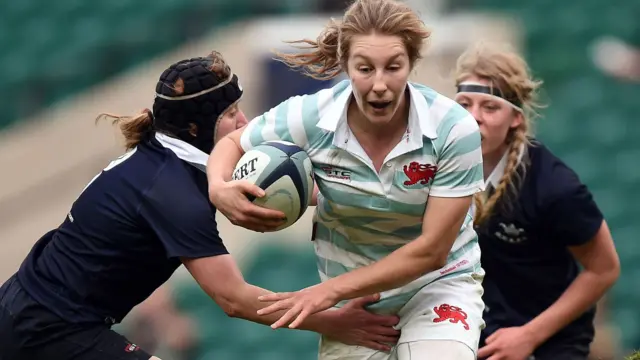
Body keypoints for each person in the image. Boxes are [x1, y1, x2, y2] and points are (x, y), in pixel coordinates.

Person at [0, 51, 401, 360]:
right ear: (195, 126)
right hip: (48, 325)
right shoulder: (172, 192)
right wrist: (335, 323)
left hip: (29, 309)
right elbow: (234, 300)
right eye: (230, 113)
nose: (244, 121)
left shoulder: (174, 160)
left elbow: (297, 189)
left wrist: (388, 196)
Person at [206, 0, 486, 359]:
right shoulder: (310, 116)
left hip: (438, 285)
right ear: (345, 64)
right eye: (365, 68)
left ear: (412, 63)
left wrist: (330, 292)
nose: (380, 84)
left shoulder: (453, 129)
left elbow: (432, 251)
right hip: (357, 302)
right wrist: (219, 187)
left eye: (393, 67)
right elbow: (232, 143)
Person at [451, 43, 620, 360]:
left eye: (490, 107)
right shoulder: (442, 172)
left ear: (515, 118)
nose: (473, 117)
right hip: (476, 335)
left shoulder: (554, 187)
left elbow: (604, 269)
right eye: (464, 104)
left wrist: (529, 336)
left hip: (548, 343)